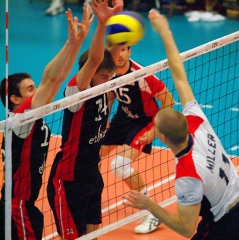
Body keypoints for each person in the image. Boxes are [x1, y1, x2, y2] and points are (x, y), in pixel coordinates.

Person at [123, 9, 239, 240]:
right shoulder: (197, 120)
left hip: (224, 224)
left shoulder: (187, 173)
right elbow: (179, 75)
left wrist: (150, 205)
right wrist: (165, 32)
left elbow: (185, 229)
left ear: (162, 138)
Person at [0, 6, 93, 240]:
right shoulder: (20, 119)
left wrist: (76, 42)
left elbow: (57, 78)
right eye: (30, 89)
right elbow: (51, 77)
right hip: (16, 207)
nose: (37, 91)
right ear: (15, 99)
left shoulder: (33, 118)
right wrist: (69, 43)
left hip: (25, 205)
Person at [46, 0, 123, 239]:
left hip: (92, 174)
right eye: (103, 76)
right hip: (69, 180)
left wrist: (114, 18)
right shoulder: (77, 91)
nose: (108, 81)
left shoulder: (101, 84)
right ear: (88, 74)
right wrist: (101, 24)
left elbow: (112, 53)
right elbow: (96, 59)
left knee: (92, 235)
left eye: (110, 77)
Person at [100, 45, 174, 234]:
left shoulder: (143, 76)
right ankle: (89, 199)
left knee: (119, 165)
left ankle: (151, 212)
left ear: (130, 52)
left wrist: (155, 130)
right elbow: (110, 93)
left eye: (125, 49)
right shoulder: (109, 70)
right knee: (92, 156)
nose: (120, 54)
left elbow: (169, 101)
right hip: (122, 118)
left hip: (145, 121)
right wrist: (106, 118)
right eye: (117, 50)